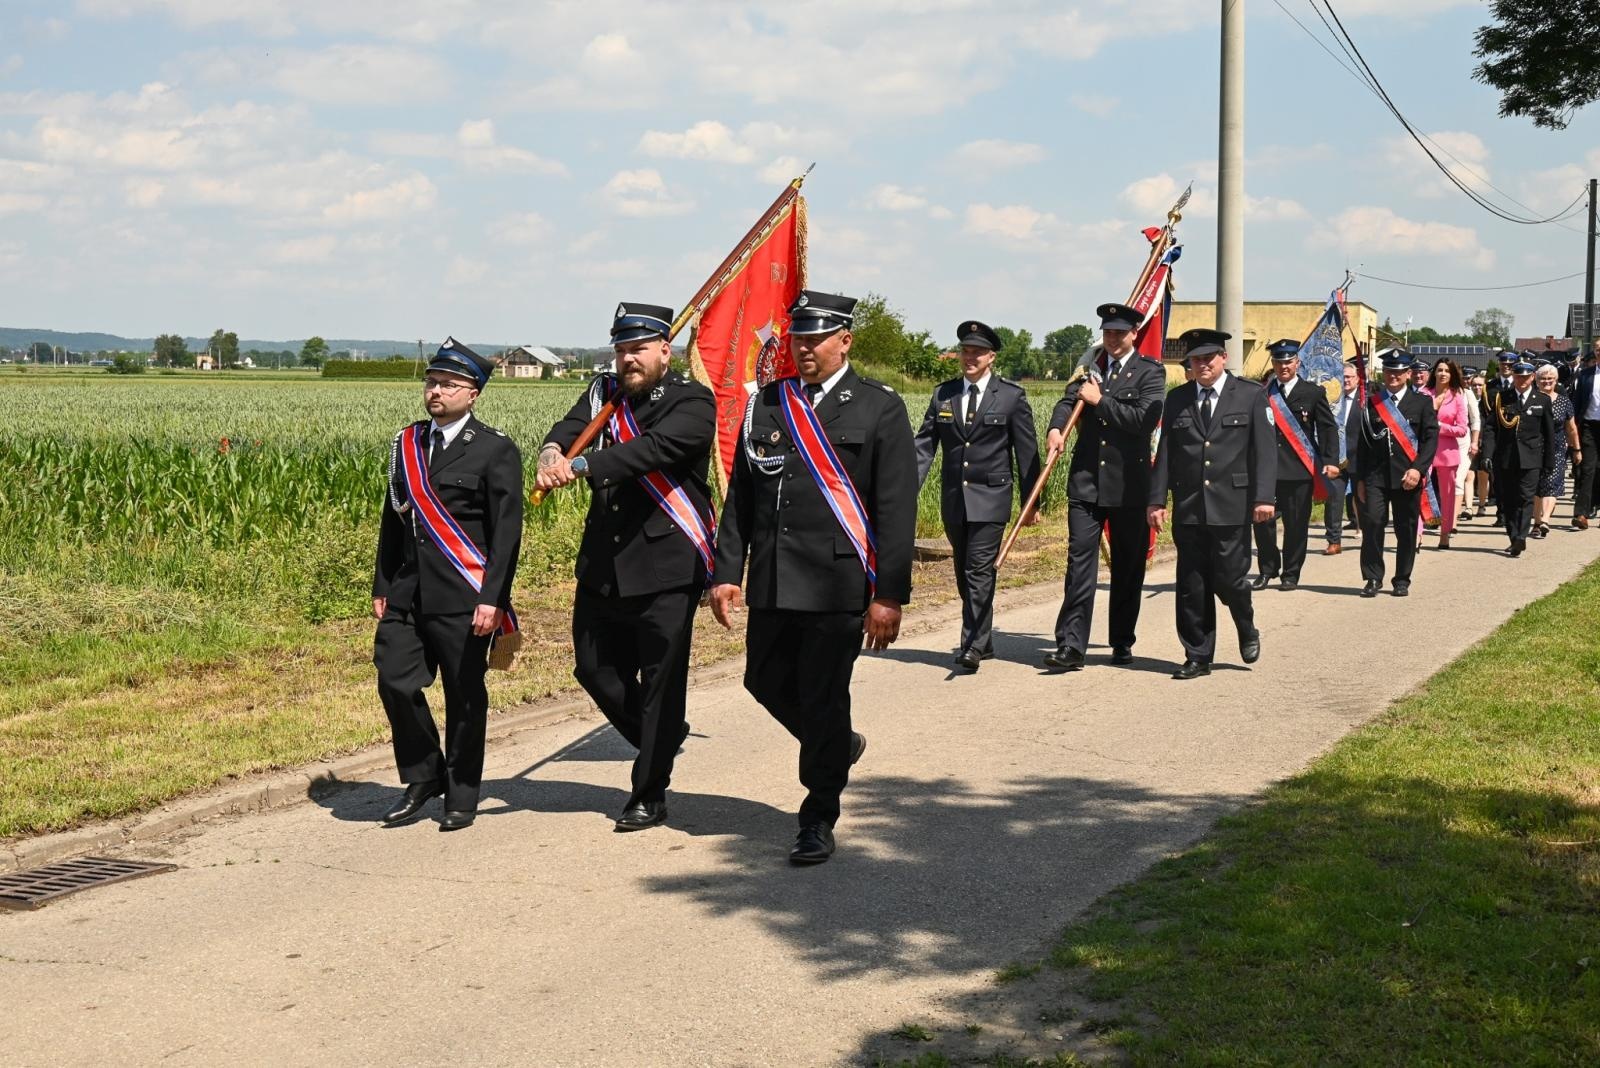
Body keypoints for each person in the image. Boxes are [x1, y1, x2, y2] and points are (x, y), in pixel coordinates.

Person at [710, 289, 918, 865]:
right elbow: (742, 497)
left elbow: (896, 508)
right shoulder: (768, 403)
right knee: (762, 680)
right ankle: (838, 746)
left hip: (836, 583)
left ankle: (817, 815)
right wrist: (727, 572)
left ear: (844, 341)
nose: (804, 348)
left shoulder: (878, 407)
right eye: (798, 338)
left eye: (817, 338)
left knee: (824, 696)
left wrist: (889, 594)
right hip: (774, 578)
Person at [536, 302, 716, 832]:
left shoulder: (692, 400)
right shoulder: (603, 395)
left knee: (661, 684)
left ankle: (649, 792)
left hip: (666, 565)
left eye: (638, 349)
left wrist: (581, 465)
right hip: (604, 563)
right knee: (594, 670)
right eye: (621, 351)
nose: (628, 359)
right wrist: (551, 453)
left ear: (665, 350)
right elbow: (568, 428)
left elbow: (655, 449)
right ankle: (662, 737)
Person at [373, 339, 523, 831]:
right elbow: (393, 519)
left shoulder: (495, 449)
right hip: (409, 591)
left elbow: (507, 534)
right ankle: (424, 775)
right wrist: (382, 582)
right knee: (394, 679)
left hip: (465, 595)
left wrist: (493, 599)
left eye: (449, 385)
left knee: (464, 697)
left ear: (473, 393)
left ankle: (461, 793)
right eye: (432, 382)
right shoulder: (408, 444)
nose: (436, 391)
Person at [1041, 302, 1165, 671]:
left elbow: (1143, 421)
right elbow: (1067, 402)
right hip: (1086, 482)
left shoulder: (1150, 372)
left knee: (1128, 567)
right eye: (1107, 332)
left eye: (1119, 332)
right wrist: (1056, 428)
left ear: (1134, 334)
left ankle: (1122, 640)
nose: (1112, 338)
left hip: (1129, 486)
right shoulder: (1089, 367)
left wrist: (1101, 401)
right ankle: (1071, 645)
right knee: (1079, 564)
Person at [1146, 328, 1275, 680]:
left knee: (1230, 579)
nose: (1202, 365)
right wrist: (1157, 500)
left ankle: (1245, 624)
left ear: (1224, 358)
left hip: (1232, 504)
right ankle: (1198, 654)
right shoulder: (1177, 399)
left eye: (1208, 358)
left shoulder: (1250, 395)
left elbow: (1265, 451)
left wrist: (1264, 497)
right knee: (1192, 584)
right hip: (1189, 504)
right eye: (1195, 360)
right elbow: (1165, 452)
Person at [914, 320, 1041, 671]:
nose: (970, 358)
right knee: (963, 572)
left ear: (991, 357)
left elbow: (1027, 453)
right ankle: (984, 641)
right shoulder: (944, 395)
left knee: (978, 570)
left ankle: (971, 644)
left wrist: (1032, 503)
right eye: (965, 351)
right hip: (955, 499)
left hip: (992, 499)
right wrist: (905, 491)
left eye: (977, 353)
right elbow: (924, 447)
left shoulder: (1011, 396)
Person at [1252, 339, 1337, 590]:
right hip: (1266, 471)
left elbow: (1328, 429)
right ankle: (1267, 569)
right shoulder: (1262, 393)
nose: (1284, 366)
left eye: (1288, 361)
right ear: (1273, 364)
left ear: (1297, 363)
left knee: (1296, 525)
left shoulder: (1313, 392)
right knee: (1262, 523)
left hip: (1299, 472)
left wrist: (1330, 460)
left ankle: (1291, 573)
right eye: (1279, 362)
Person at [1353, 347, 1438, 597]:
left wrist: (1418, 470)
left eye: (1399, 372)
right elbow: (1362, 443)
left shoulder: (1422, 403)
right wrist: (1359, 479)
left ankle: (1402, 579)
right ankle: (1372, 577)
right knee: (1372, 524)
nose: (1393, 376)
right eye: (1389, 371)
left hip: (1407, 477)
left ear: (1408, 374)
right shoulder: (1372, 403)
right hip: (1375, 477)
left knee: (1406, 529)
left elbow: (1430, 441)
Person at [1489, 357, 1555, 557]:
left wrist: (1549, 461)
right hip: (1507, 457)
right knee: (1509, 499)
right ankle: (1514, 537)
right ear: (1514, 376)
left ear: (1533, 377)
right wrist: (1488, 454)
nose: (1522, 380)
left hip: (1531, 458)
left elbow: (1549, 433)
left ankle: (1521, 537)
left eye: (1526, 377)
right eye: (1518, 376)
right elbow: (1491, 428)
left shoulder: (1542, 400)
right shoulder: (1502, 398)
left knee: (1526, 498)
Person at [1533, 363, 1580, 537]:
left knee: (1552, 484)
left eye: (1550, 379)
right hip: (1534, 448)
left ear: (1556, 380)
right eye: (1543, 379)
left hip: (1557, 448)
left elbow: (1571, 428)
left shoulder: (1564, 401)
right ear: (1536, 380)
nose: (1546, 382)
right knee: (1537, 487)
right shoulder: (1531, 399)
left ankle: (1545, 520)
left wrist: (1576, 449)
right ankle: (1537, 522)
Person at [1428, 359, 1471, 549]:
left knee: (1447, 496)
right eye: (1440, 370)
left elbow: (1462, 429)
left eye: (1447, 370)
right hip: (1424, 451)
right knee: (1421, 493)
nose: (1443, 373)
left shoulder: (1457, 397)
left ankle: (1444, 534)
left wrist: (1441, 427)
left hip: (1447, 452)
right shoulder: (1424, 394)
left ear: (1452, 374)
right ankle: (1418, 534)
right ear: (1434, 373)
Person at [1323, 361, 1360, 555]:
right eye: (1343, 376)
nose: (1346, 380)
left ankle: (1369, 535)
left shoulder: (1366, 400)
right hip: (1336, 459)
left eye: (1349, 377)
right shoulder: (1331, 400)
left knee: (1364, 500)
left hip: (1359, 458)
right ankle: (1334, 540)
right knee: (1334, 499)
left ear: (1357, 379)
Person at [1568, 348, 1600, 529]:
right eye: (1598, 350)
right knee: (1587, 469)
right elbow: (1577, 402)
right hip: (1589, 426)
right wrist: (1572, 427)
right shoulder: (1585, 375)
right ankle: (1581, 513)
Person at [1455, 366, 1484, 521]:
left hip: (1465, 441)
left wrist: (1474, 441)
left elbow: (1475, 420)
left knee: (1465, 476)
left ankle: (1467, 508)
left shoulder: (1467, 394)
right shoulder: (1441, 392)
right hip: (1444, 442)